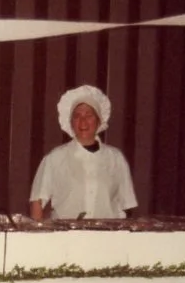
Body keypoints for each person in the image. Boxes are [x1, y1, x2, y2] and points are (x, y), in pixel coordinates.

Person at [29, 85, 137, 220]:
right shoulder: (54, 158)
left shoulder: (116, 158)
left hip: (107, 232)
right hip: (66, 232)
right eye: (77, 116)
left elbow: (127, 204)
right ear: (71, 122)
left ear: (99, 120)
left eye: (89, 115)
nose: (83, 121)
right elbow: (37, 202)